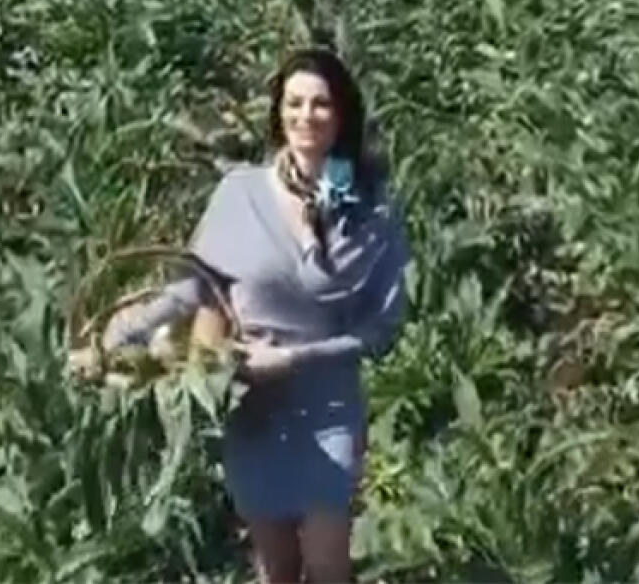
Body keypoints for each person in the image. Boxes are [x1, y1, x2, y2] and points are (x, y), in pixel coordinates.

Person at [102, 46, 411, 584]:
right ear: (277, 112)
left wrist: (294, 358)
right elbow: (193, 287)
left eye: (320, 104)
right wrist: (122, 334)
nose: (305, 116)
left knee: (328, 563)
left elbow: (381, 329)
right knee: (276, 567)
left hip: (328, 406)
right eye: (294, 103)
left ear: (342, 115)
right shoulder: (240, 194)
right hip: (254, 407)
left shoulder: (372, 211)